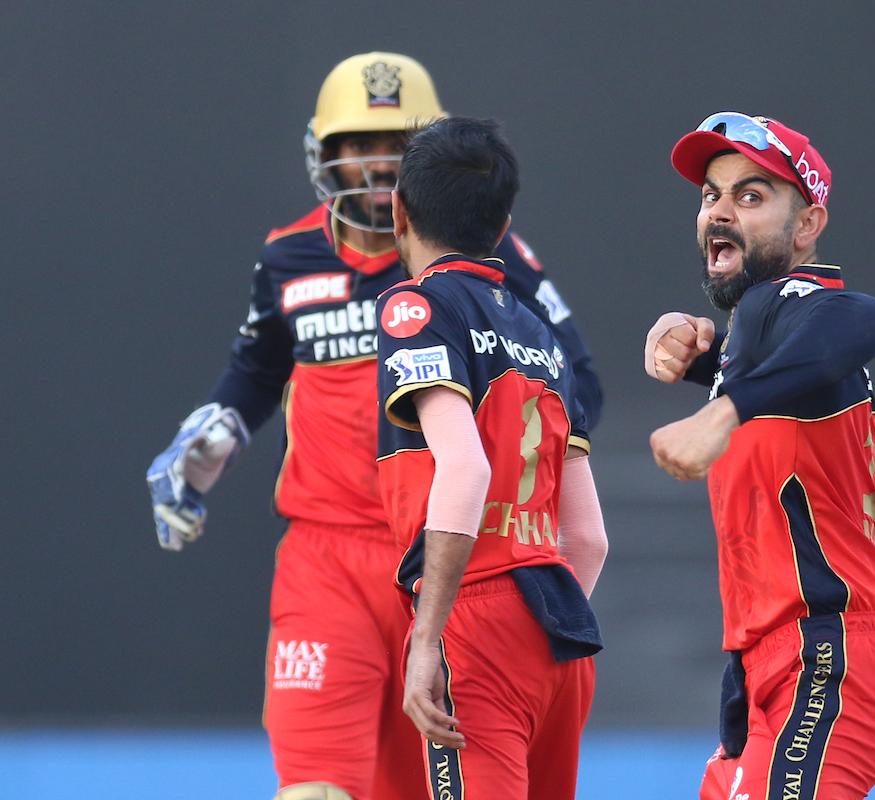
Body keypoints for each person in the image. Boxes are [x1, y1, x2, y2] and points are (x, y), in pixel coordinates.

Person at [145, 52, 603, 800]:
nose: (374, 166)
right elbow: (258, 370)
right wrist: (213, 432)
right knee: (316, 790)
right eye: (356, 145)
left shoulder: (487, 262)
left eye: (393, 147)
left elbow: (574, 384)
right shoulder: (287, 255)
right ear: (324, 154)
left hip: (450, 559)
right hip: (327, 557)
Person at [645, 112, 875, 800]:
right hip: (771, 665)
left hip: (829, 658)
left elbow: (865, 320)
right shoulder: (765, 337)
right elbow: (786, 384)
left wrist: (720, 408)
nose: (720, 212)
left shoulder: (798, 303)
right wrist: (705, 365)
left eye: (751, 196)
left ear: (807, 226)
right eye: (711, 195)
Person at [375, 116, 605, 800]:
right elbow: (588, 538)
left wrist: (428, 637)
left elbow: (466, 469)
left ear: (399, 212)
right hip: (558, 624)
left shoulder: (415, 308)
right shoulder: (542, 334)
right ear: (503, 228)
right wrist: (535, 634)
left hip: (471, 616)